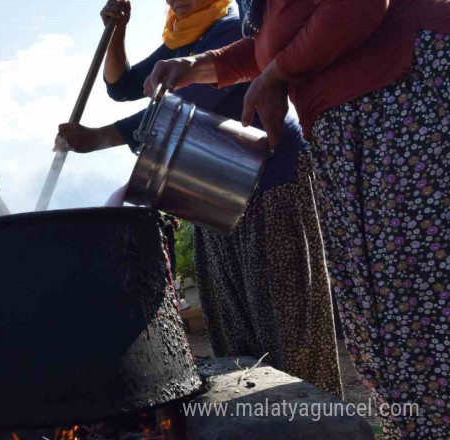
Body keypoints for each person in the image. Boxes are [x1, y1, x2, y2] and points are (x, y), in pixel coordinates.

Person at [147, 0, 450, 437]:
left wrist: (276, 75)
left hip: (401, 99)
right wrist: (195, 66)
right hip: (346, 126)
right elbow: (269, 46)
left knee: (419, 301)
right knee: (380, 317)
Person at [56, 0, 343, 397]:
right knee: (232, 318)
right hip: (210, 192)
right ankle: (252, 416)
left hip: (269, 179)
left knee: (285, 317)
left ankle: (313, 415)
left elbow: (188, 106)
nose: (176, 0)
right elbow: (121, 88)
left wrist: (99, 137)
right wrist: (117, 28)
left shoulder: (232, 27)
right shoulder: (183, 37)